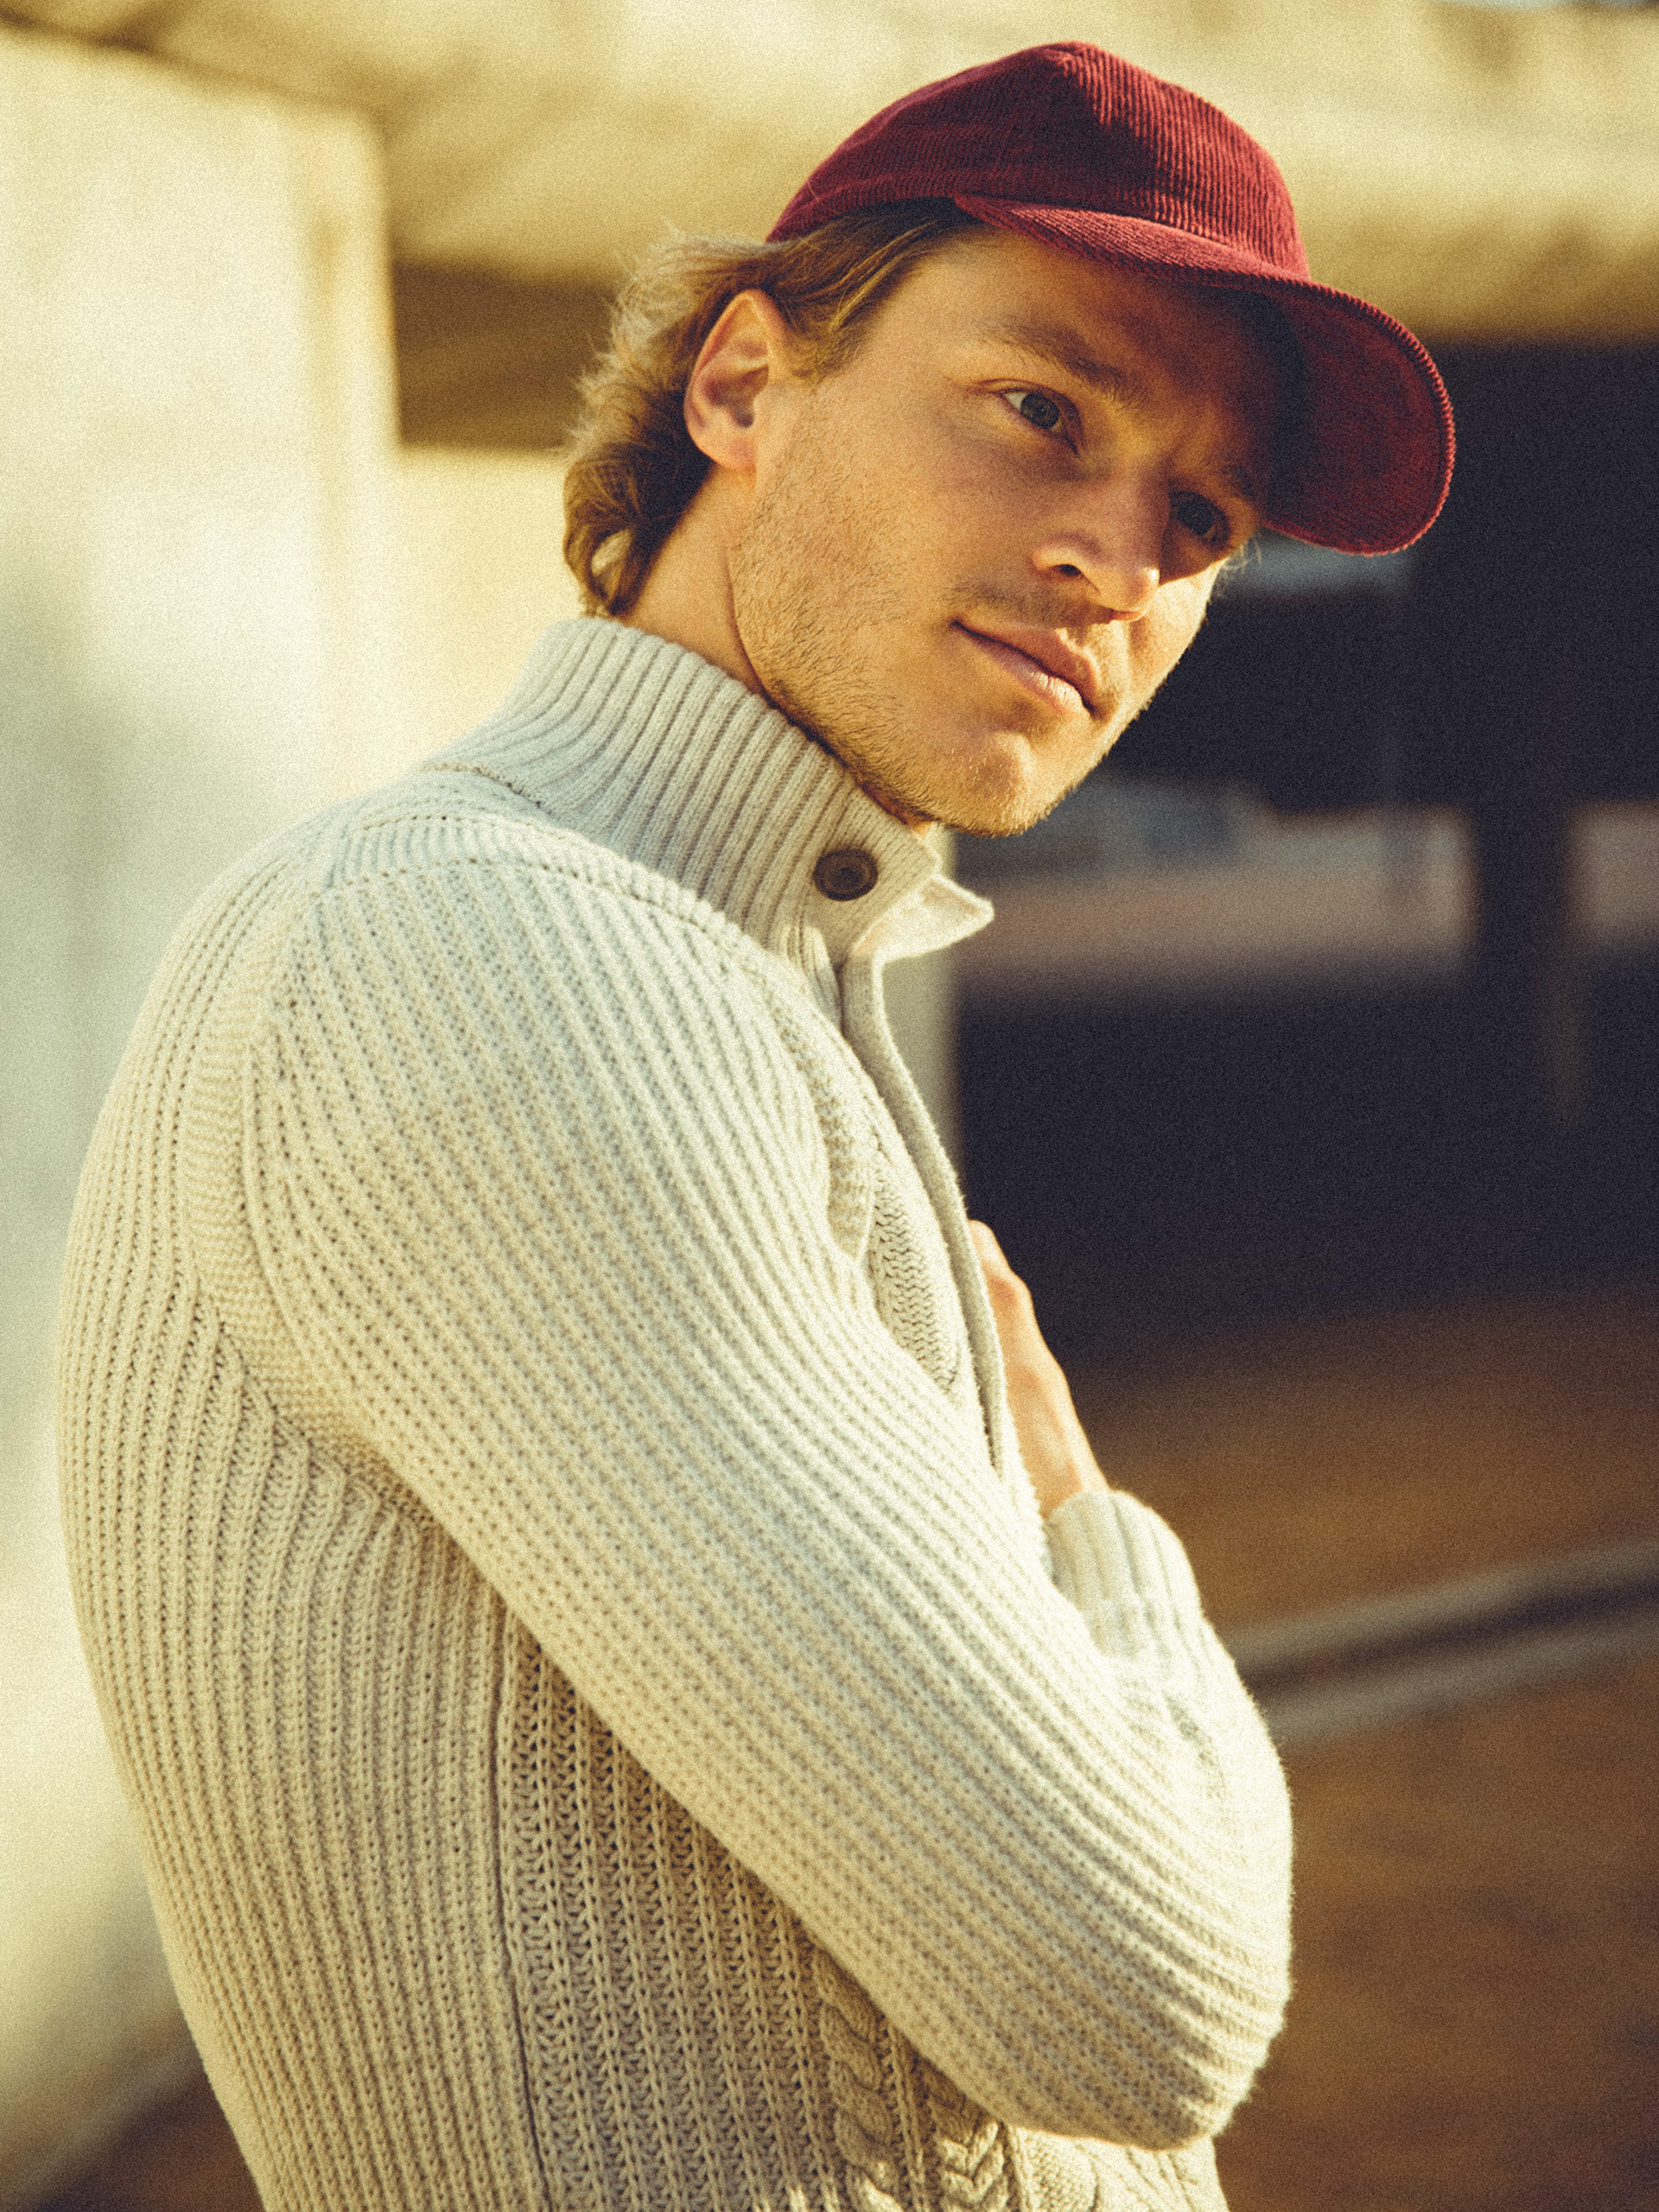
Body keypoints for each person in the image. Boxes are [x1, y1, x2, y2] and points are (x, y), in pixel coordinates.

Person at [58, 41, 1452, 2212]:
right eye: (1043, 411)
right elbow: (1139, 1994)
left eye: (1201, 522)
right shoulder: (492, 954)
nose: (1117, 560)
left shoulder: (723, 965)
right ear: (738, 383)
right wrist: (1102, 1547)